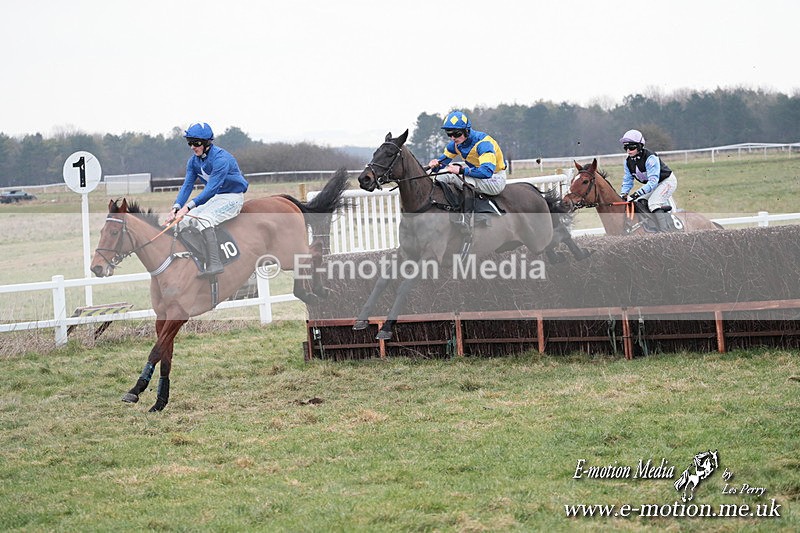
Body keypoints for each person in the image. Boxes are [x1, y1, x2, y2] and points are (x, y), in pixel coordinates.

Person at [165, 122, 249, 276]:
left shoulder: (221, 159)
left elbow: (211, 189)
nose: (192, 147)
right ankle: (194, 258)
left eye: (196, 143)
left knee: (203, 219)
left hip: (232, 197)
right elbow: (187, 185)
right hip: (216, 198)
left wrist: (188, 207)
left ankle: (215, 263)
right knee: (181, 221)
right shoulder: (193, 162)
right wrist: (176, 207)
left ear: (206, 143)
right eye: (189, 143)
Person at [427, 110, 507, 230]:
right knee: (440, 176)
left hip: (495, 179)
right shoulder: (455, 145)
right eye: (449, 134)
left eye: (457, 134)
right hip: (478, 175)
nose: (453, 138)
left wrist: (461, 170)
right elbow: (442, 164)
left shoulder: (483, 144)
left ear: (467, 131)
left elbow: (486, 172)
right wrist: (435, 165)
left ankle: (466, 220)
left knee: (453, 176)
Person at [619, 129, 678, 232]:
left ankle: (665, 233)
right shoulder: (628, 162)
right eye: (626, 147)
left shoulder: (650, 158)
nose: (628, 151)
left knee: (653, 203)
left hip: (667, 182)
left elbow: (653, 182)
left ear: (639, 146)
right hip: (654, 185)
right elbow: (628, 180)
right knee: (639, 202)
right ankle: (651, 226)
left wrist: (636, 194)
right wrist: (624, 194)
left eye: (631, 147)